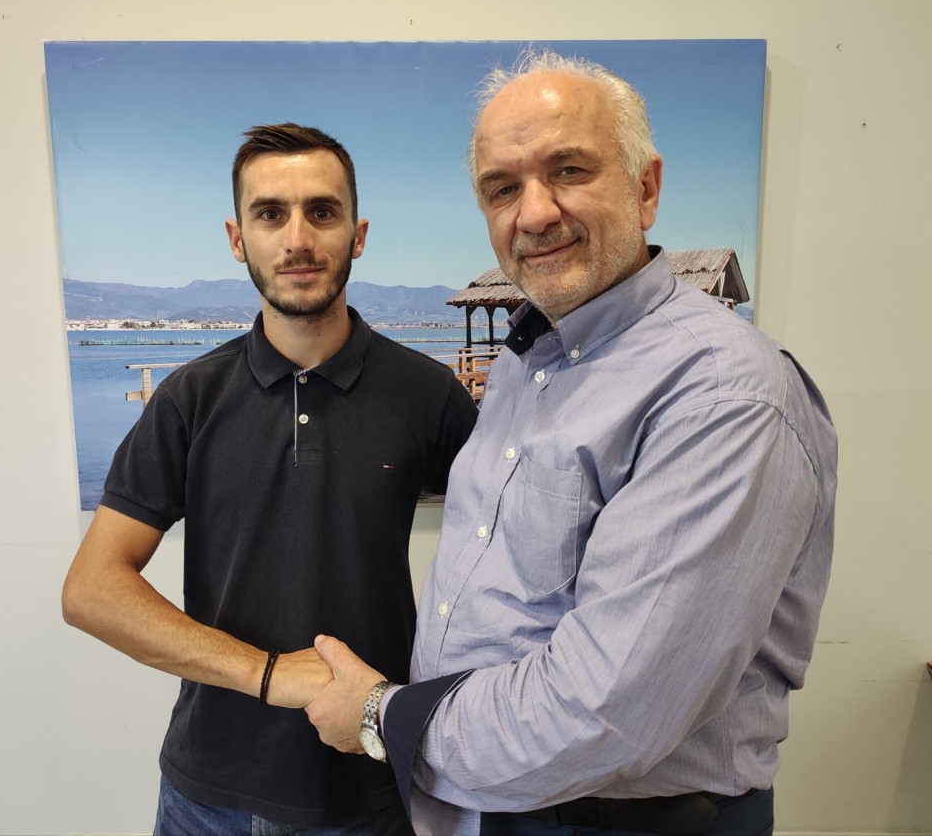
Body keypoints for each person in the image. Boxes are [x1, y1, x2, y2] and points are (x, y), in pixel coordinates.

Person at [301, 51, 838, 836]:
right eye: (502, 188)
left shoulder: (722, 391)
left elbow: (608, 709)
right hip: (487, 803)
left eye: (569, 170)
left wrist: (382, 713)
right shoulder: (528, 364)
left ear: (646, 188)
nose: (535, 212)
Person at [61, 123, 478, 835]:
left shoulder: (428, 395)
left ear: (358, 234)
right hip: (206, 796)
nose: (298, 238)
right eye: (270, 214)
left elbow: (504, 565)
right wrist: (268, 672)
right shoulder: (189, 399)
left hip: (372, 783)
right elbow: (91, 589)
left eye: (323, 211)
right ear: (237, 238)